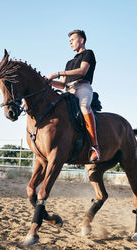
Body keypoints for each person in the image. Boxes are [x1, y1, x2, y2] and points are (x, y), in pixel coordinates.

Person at [47, 30, 100, 163]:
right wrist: (48, 81)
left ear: (81, 40)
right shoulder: (69, 62)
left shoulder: (88, 53)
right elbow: (62, 85)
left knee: (83, 107)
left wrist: (58, 73)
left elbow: (82, 71)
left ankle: (95, 147)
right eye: (69, 41)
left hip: (82, 87)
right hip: (69, 89)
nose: (70, 43)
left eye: (72, 40)